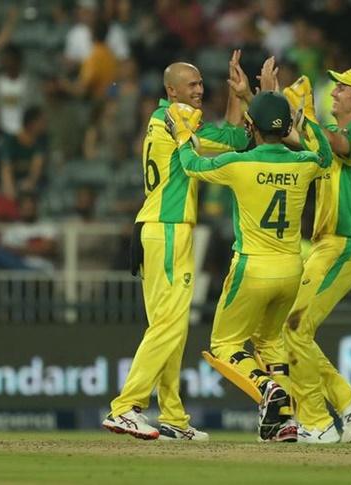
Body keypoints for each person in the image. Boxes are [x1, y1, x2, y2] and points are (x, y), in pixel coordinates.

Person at [102, 55, 249, 441]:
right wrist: (240, 97)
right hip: (168, 231)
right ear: (172, 90)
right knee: (170, 324)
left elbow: (230, 135)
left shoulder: (161, 119)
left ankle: (173, 417)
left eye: (201, 84)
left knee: (166, 327)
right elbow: (236, 136)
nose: (199, 91)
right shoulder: (180, 117)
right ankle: (126, 407)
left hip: (150, 228)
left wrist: (235, 95)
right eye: (192, 85)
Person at [172, 89, 331, 442]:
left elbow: (191, 165)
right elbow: (326, 156)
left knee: (225, 345)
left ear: (249, 125)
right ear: (286, 125)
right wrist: (308, 124)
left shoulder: (238, 164)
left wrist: (183, 134)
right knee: (272, 342)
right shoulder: (302, 163)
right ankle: (283, 420)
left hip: (252, 268)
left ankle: (267, 388)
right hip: (291, 269)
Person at [279, 67, 351, 443]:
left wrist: (302, 111)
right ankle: (343, 396)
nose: (334, 91)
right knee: (291, 330)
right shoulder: (330, 136)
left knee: (295, 328)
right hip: (326, 246)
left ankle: (318, 421)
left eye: (343, 88)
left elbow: (333, 142)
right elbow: (291, 136)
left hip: (345, 244)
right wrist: (267, 100)